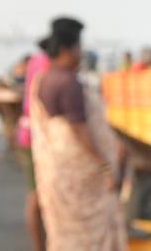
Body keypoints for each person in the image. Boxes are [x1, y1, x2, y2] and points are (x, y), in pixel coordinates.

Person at [31, 17, 126, 250]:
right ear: (66, 50)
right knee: (89, 237)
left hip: (58, 172)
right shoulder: (68, 82)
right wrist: (105, 166)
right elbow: (79, 130)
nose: (81, 53)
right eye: (78, 47)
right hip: (82, 176)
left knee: (64, 234)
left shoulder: (43, 78)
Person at [16, 44, 50, 251]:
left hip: (29, 134)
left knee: (36, 195)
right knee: (37, 196)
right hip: (37, 137)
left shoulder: (36, 61)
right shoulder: (46, 63)